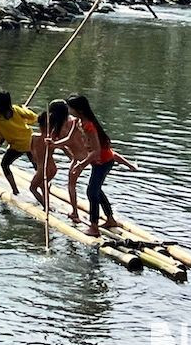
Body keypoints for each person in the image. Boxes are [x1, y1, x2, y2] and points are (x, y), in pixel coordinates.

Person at [65, 93, 138, 237]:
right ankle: (110, 220)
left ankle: (94, 227)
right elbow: (70, 138)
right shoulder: (79, 122)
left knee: (91, 192)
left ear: (78, 110)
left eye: (70, 108)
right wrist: (54, 143)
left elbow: (98, 151)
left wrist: (81, 164)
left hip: (103, 162)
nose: (69, 110)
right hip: (97, 161)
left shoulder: (89, 125)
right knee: (96, 190)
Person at [0, 90, 39, 194]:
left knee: (4, 165)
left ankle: (15, 190)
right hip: (30, 141)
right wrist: (25, 111)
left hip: (17, 146)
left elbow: (0, 136)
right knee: (37, 167)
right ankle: (43, 185)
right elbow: (34, 118)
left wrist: (8, 139)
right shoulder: (15, 109)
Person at [29, 99, 70, 207]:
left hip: (43, 169)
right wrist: (72, 158)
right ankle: (46, 203)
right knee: (43, 185)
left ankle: (46, 206)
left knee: (32, 188)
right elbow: (64, 148)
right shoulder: (52, 139)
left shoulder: (35, 137)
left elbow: (32, 152)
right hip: (52, 168)